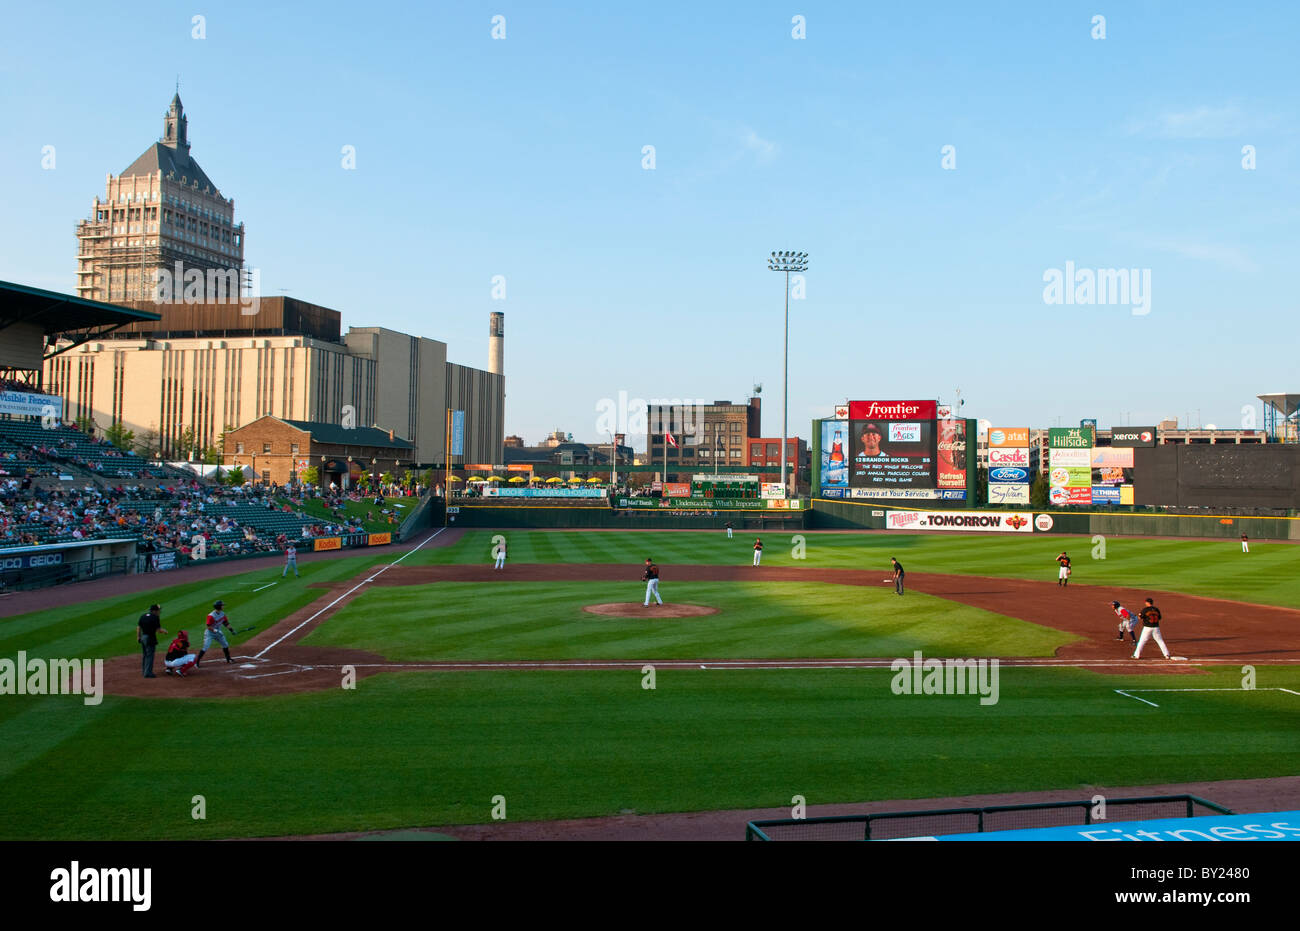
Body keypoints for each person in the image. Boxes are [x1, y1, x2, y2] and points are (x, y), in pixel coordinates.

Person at [198, 600, 235, 666]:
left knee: (225, 644)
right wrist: (216, 631)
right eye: (222, 605)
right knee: (206, 647)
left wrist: (232, 630)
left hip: (218, 633)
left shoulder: (222, 614)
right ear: (219, 607)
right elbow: (209, 627)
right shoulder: (211, 616)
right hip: (210, 633)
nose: (223, 606)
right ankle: (197, 662)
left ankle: (228, 659)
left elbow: (226, 623)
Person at [136, 603, 167, 679]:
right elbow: (158, 630)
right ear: (155, 611)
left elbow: (138, 627)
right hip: (150, 638)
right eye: (158, 610)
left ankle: (144, 671)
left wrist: (138, 637)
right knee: (150, 655)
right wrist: (165, 631)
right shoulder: (155, 618)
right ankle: (148, 673)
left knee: (145, 655)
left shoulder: (143, 616)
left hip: (143, 637)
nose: (159, 612)